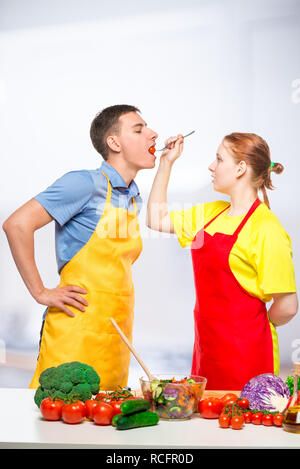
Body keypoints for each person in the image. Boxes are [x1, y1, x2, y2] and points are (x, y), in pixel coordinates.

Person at [3, 104, 158, 390]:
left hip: (116, 338)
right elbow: (17, 224)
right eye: (139, 129)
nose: (153, 134)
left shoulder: (133, 197)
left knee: (106, 426)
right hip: (75, 332)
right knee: (58, 421)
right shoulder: (84, 184)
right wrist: (40, 291)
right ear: (114, 143)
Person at [147, 132, 298, 390]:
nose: (211, 166)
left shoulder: (266, 228)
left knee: (247, 420)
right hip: (207, 347)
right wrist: (166, 163)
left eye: (218, 159)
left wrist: (251, 328)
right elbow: (155, 219)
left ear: (240, 168)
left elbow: (287, 306)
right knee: (205, 421)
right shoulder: (211, 212)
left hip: (248, 354)